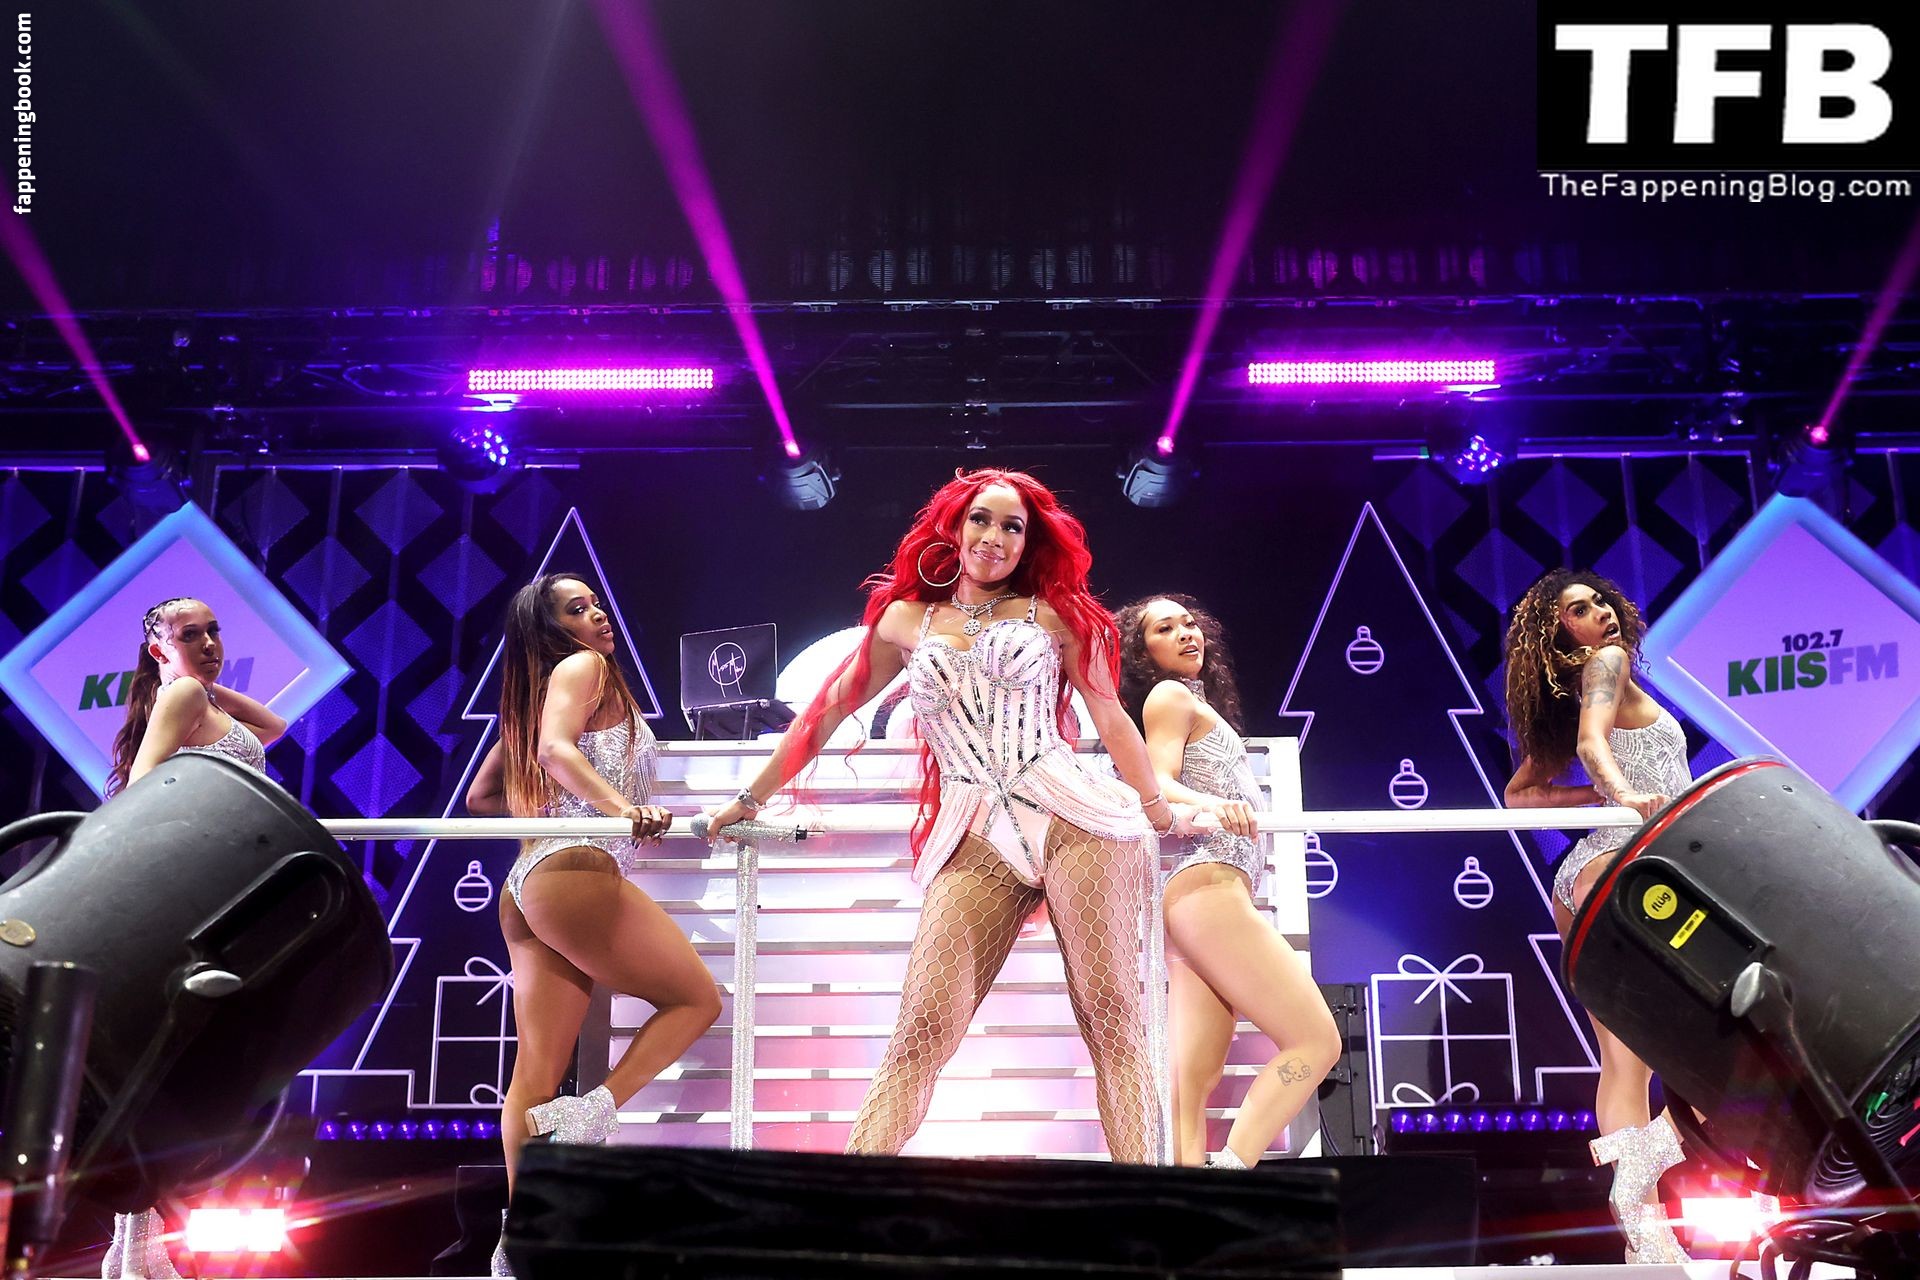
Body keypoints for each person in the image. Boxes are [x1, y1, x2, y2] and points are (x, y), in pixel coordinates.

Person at [701, 468, 1187, 1162]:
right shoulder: (905, 619)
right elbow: (826, 711)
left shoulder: (1054, 615)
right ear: (954, 527)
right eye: (981, 520)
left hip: (1077, 820)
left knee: (1111, 1021)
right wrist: (749, 799)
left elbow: (1110, 717)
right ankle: (845, 1195)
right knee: (922, 1028)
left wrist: (1158, 808)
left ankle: (1148, 1204)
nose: (994, 537)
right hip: (973, 830)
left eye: (1013, 526)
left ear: (1029, 542)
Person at [466, 574, 721, 1276]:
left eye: (594, 602)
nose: (597, 614)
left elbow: (482, 795)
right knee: (697, 1001)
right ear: (557, 634)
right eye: (576, 610)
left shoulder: (540, 692)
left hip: (528, 884)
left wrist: (553, 812)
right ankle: (597, 1108)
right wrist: (619, 809)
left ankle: (520, 1243)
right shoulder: (585, 668)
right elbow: (554, 752)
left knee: (535, 1075)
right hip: (576, 870)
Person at [1502, 568, 1691, 1264]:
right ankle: (1653, 1165)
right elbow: (1591, 746)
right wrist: (1621, 794)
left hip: (1586, 876)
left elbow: (1520, 796)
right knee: (1707, 1042)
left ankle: (1643, 1229)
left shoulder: (1585, 684)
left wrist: (1598, 798)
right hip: (1626, 866)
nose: (1602, 612)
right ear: (1561, 636)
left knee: (1624, 1060)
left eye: (1600, 600)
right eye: (1579, 610)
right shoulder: (1606, 664)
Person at [1116, 594, 1339, 1168]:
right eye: (1165, 629)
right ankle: (1234, 1170)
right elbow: (1157, 783)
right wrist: (1215, 804)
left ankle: (1187, 1193)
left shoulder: (1194, 703)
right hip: (1208, 889)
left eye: (1190, 623)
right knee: (1317, 1040)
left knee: (1195, 1075)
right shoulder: (1168, 697)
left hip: (1203, 897)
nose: (1186, 634)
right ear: (1142, 652)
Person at [103, 596, 289, 1279]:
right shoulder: (181, 695)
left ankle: (134, 1244)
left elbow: (274, 726)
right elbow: (143, 785)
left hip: (221, 894)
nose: (210, 643)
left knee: (176, 1067)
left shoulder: (193, 696)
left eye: (214, 631)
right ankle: (136, 1243)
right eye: (191, 635)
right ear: (159, 648)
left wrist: (201, 678)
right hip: (200, 896)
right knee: (178, 1067)